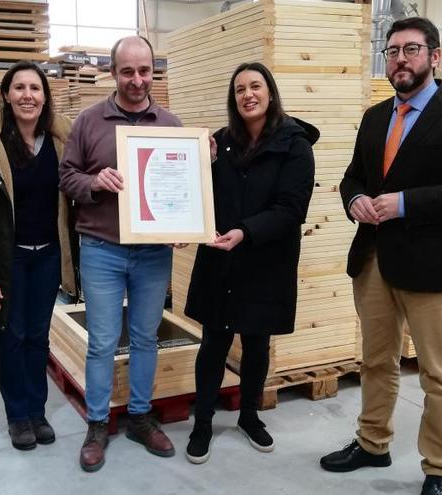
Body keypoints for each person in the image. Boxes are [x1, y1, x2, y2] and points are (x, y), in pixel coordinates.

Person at [319, 17, 442, 495]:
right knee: (375, 361)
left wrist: (404, 203)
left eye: (412, 49)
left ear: (435, 56)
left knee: (438, 374)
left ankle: (440, 469)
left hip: (431, 266)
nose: (400, 58)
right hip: (374, 260)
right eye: (393, 50)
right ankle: (373, 443)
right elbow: (354, 176)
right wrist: (353, 200)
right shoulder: (376, 116)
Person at [182, 62, 317, 464]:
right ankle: (202, 423)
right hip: (220, 258)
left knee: (257, 342)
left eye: (255, 86)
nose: (248, 95)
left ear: (270, 93)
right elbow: (199, 194)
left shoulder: (295, 145)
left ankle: (249, 416)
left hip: (265, 259)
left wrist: (244, 231)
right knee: (213, 343)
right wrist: (201, 164)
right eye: (239, 89)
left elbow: (291, 208)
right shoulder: (220, 143)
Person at [59, 35, 182, 472]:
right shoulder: (89, 122)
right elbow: (67, 175)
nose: (136, 79)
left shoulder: (170, 126)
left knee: (146, 338)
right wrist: (93, 183)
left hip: (152, 254)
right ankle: (97, 422)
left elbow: (181, 190)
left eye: (144, 70)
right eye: (127, 71)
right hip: (102, 250)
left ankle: (139, 417)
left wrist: (184, 225)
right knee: (104, 342)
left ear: (153, 72)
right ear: (113, 73)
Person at [0, 61, 76, 451]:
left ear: (45, 97)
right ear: (7, 95)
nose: (28, 95)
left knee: (38, 336)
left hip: (46, 256)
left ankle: (37, 411)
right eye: (20, 87)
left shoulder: (61, 142)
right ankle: (17, 415)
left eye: (36, 88)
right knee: (11, 334)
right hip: (10, 261)